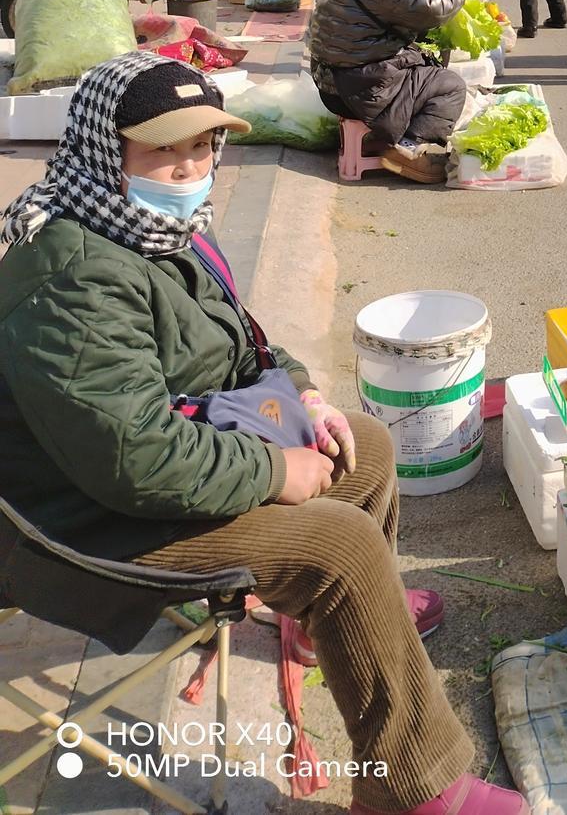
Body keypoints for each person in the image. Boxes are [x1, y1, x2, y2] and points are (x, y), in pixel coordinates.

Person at [0, 52, 527, 815]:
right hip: (81, 520)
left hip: (158, 454)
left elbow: (238, 345)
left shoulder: (152, 226)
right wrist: (277, 472)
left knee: (363, 447)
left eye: (201, 145)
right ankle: (414, 790)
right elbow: (132, 459)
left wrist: (303, 395)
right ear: (104, 151)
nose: (189, 168)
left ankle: (339, 629)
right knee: (337, 547)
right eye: (163, 149)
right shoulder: (74, 275)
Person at [310, 0, 468, 180]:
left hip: (329, 82)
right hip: (360, 89)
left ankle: (380, 137)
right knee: (449, 86)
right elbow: (430, 8)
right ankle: (407, 150)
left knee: (422, 63)